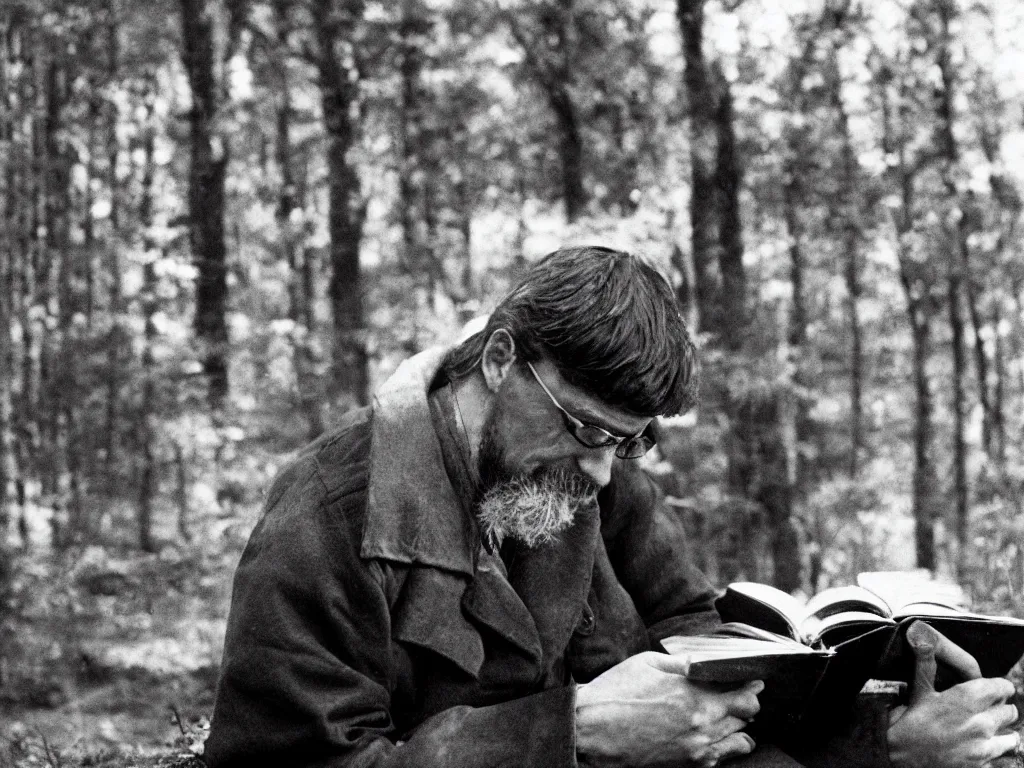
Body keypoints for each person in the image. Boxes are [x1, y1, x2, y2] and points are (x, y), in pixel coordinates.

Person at [205, 246, 1020, 768]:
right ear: (499, 360)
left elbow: (694, 642)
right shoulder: (327, 518)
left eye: (627, 443)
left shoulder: (595, 462)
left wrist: (886, 745)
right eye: (587, 430)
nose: (601, 474)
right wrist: (574, 731)